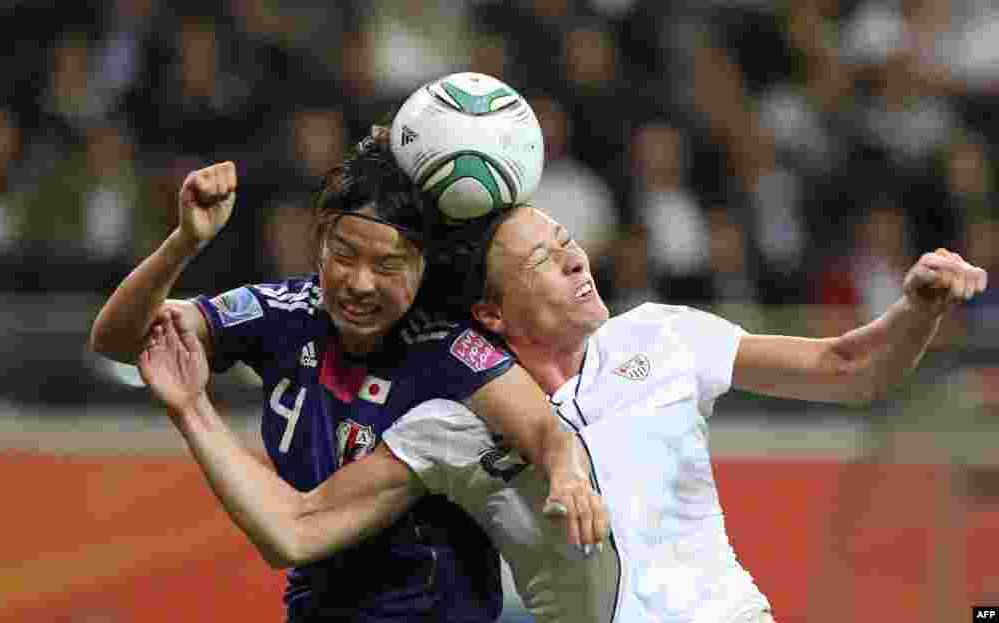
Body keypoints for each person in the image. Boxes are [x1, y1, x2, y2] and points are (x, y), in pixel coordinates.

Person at [137, 203, 988, 623]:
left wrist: (918, 307)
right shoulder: (453, 421)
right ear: (495, 317)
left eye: (567, 241)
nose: (575, 256)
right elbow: (293, 528)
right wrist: (193, 412)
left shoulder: (661, 335)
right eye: (544, 258)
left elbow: (851, 370)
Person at [89, 137, 608, 622]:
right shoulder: (283, 313)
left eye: (388, 265)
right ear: (319, 244)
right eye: (343, 255)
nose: (360, 283)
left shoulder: (447, 347)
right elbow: (119, 340)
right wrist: (184, 242)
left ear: (423, 266)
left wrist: (568, 476)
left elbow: (544, 431)